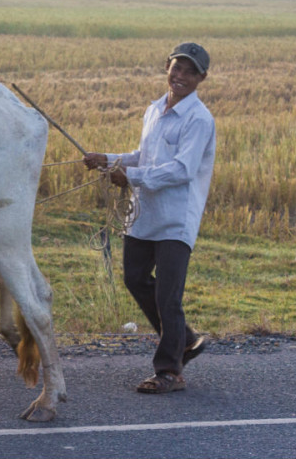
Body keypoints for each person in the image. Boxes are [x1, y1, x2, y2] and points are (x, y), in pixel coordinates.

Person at [83, 42, 216, 394]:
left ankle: (169, 371)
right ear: (166, 67)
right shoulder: (154, 110)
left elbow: (182, 169)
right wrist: (110, 159)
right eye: (176, 67)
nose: (181, 76)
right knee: (135, 278)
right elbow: (145, 155)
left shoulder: (199, 119)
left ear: (202, 78)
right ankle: (184, 339)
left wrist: (130, 177)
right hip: (146, 214)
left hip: (176, 218)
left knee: (167, 296)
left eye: (190, 71)